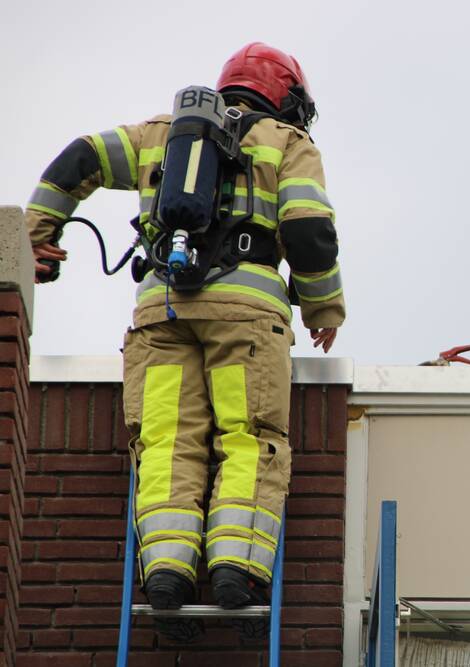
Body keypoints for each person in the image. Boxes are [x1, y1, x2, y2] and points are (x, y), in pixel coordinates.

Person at [26, 42, 345, 640]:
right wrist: (323, 307)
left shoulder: (158, 134)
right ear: (289, 98)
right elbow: (310, 230)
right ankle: (235, 571)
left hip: (161, 310)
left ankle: (167, 574)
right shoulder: (287, 143)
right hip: (247, 320)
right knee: (248, 437)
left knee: (168, 441)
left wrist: (34, 236)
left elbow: (78, 158)